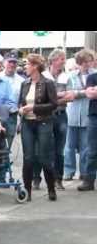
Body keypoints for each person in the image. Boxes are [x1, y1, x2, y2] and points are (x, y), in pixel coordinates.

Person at [18, 53, 59, 201]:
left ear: (35, 66)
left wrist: (34, 107)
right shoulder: (25, 83)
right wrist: (21, 109)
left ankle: (51, 188)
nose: (25, 67)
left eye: (27, 64)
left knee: (44, 157)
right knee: (28, 158)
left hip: (44, 122)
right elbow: (20, 102)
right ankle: (27, 191)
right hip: (27, 123)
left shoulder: (47, 83)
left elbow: (54, 104)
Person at [39, 48, 69, 191]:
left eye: (64, 59)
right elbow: (41, 97)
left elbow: (70, 96)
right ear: (53, 60)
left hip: (61, 115)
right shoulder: (43, 76)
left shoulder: (66, 76)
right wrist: (58, 96)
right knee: (43, 148)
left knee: (59, 150)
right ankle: (37, 179)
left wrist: (52, 96)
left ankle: (58, 179)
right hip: (46, 116)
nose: (63, 61)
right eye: (61, 59)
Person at [64, 49, 96, 185]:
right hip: (72, 113)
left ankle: (84, 172)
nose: (88, 64)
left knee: (86, 146)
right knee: (69, 146)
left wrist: (78, 93)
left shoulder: (94, 75)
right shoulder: (71, 75)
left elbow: (90, 94)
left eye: (89, 61)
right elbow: (68, 93)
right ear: (80, 62)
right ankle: (69, 171)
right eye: (85, 62)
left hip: (87, 114)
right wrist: (84, 92)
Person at [0, 51, 25, 151]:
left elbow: (22, 102)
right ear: (4, 63)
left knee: (7, 146)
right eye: (9, 62)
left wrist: (20, 121)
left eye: (14, 62)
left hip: (12, 116)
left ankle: (4, 166)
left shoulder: (21, 81)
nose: (12, 64)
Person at [81, 65, 97, 190]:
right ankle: (89, 181)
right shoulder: (92, 77)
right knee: (92, 150)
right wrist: (92, 91)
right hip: (94, 117)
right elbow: (90, 95)